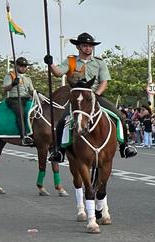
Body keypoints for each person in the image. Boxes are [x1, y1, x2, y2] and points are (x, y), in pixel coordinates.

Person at [46, 32, 137, 161]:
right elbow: (58, 73)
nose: (88, 48)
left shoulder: (100, 63)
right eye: (84, 45)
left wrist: (96, 94)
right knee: (63, 121)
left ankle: (125, 146)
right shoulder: (71, 61)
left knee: (119, 116)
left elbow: (104, 82)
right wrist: (51, 64)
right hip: (77, 99)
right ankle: (59, 151)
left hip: (95, 96)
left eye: (90, 46)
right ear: (78, 47)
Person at [1, 57, 36, 146]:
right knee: (20, 113)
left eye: (25, 66)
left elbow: (31, 90)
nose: (23, 68)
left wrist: (36, 93)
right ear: (16, 66)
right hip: (14, 99)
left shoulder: (28, 78)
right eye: (21, 66)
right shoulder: (10, 76)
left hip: (26, 98)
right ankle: (24, 136)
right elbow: (5, 88)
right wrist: (13, 84)